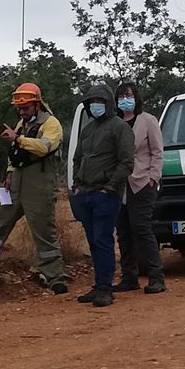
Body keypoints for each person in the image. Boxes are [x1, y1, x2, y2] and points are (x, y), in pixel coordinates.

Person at [0, 83, 68, 294]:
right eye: (19, 108)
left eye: (26, 108)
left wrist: (18, 138)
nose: (22, 112)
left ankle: (54, 276)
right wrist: (10, 174)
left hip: (39, 182)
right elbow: (14, 152)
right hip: (18, 180)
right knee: (1, 221)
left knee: (43, 229)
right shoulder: (22, 123)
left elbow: (44, 147)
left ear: (37, 104)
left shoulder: (51, 124)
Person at [71, 85, 134, 308]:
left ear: (108, 103)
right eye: (91, 101)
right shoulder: (88, 130)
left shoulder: (119, 127)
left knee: (103, 240)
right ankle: (98, 285)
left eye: (99, 100)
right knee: (93, 242)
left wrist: (109, 187)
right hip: (85, 193)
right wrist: (77, 185)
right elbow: (78, 158)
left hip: (105, 195)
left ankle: (106, 288)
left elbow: (127, 161)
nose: (95, 105)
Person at [112, 82, 166, 295]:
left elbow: (157, 151)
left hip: (142, 182)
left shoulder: (148, 121)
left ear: (136, 98)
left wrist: (153, 176)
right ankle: (129, 277)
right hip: (119, 184)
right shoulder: (115, 123)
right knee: (123, 231)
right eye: (121, 96)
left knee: (142, 228)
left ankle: (156, 276)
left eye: (129, 95)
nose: (125, 100)